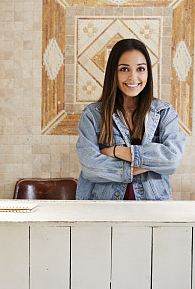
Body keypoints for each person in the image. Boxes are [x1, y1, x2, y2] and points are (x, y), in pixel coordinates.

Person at [76, 38, 185, 200]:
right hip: (102, 209)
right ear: (114, 72)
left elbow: (171, 161)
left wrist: (116, 151)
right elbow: (91, 168)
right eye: (124, 69)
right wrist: (150, 164)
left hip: (152, 210)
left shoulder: (164, 113)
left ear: (148, 72)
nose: (133, 77)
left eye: (140, 69)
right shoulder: (93, 115)